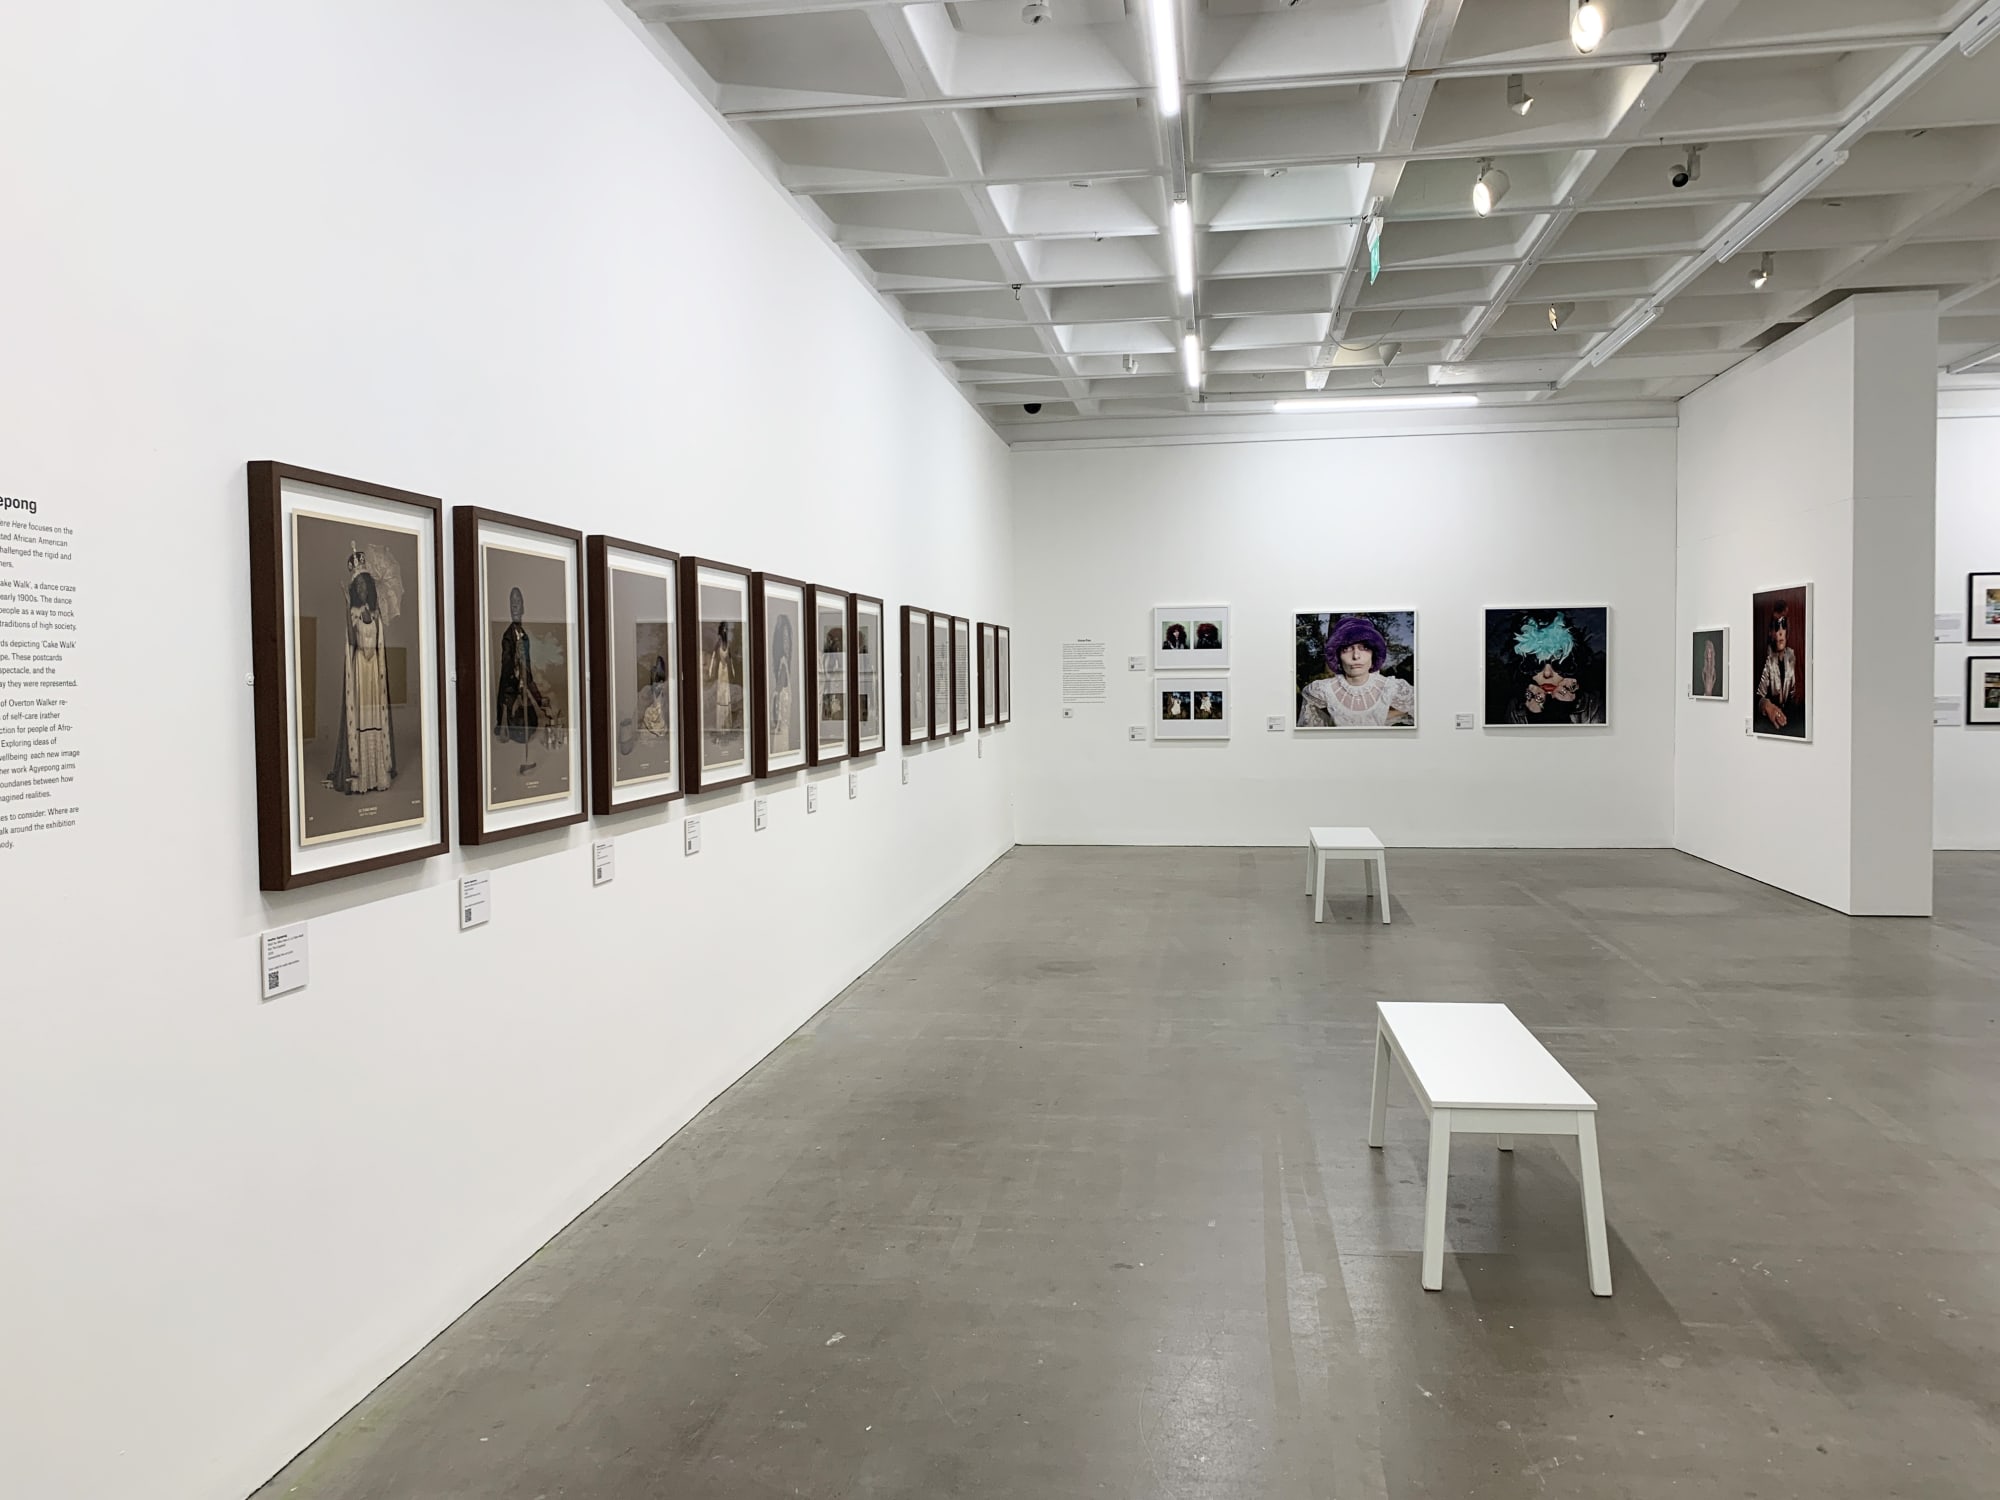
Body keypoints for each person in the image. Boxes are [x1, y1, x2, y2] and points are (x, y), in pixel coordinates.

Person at [326, 542, 396, 795]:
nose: (363, 590)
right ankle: (361, 775)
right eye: (359, 587)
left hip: (373, 670)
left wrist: (372, 620)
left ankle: (377, 773)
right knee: (362, 718)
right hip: (360, 670)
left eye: (366, 586)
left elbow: (378, 646)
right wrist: (348, 608)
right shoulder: (355, 613)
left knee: (375, 717)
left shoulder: (376, 614)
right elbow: (353, 642)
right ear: (355, 590)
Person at [1298, 616, 1413, 727]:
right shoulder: (1321, 690)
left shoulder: (1392, 687)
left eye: (1364, 648)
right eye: (1346, 649)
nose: (1356, 656)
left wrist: (1380, 717)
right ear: (1337, 655)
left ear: (1374, 653)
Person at [495, 585, 551, 772]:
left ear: (523, 607)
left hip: (523, 688)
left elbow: (528, 670)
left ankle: (525, 760)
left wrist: (536, 695)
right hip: (513, 690)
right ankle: (518, 763)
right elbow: (506, 670)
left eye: (519, 602)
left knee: (530, 726)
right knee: (518, 730)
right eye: (513, 603)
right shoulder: (509, 637)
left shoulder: (523, 635)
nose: (516, 606)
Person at [1756, 607, 1801, 733]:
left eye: (1783, 626)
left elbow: (1797, 695)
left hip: (1791, 723)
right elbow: (1758, 696)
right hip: (1770, 726)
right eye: (1776, 627)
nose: (1780, 632)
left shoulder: (1793, 657)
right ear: (1771, 632)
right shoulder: (1768, 660)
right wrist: (1767, 705)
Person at [768, 612, 796, 750]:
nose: (787, 644)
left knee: (782, 734)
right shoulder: (782, 663)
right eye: (783, 638)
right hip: (781, 711)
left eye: (788, 638)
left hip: (783, 710)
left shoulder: (784, 663)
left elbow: (779, 690)